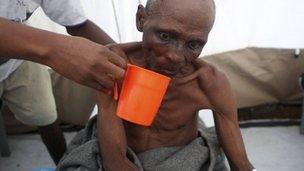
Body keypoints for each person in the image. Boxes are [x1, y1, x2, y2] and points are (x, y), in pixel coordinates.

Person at [57, 0, 255, 170]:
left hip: (183, 157)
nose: (175, 57)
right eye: (165, 37)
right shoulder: (115, 64)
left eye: (193, 44)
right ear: (141, 19)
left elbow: (241, 164)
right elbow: (114, 162)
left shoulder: (209, 83)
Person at [0, 0, 126, 164]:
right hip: (30, 52)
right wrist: (56, 50)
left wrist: (126, 62)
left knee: (46, 116)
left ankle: (63, 164)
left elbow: (78, 24)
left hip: (18, 62)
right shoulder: (50, 49)